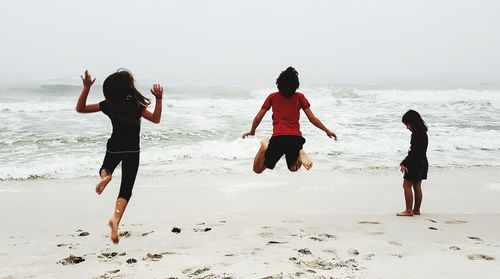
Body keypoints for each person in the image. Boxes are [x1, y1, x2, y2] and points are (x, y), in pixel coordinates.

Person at [76, 69, 163, 243]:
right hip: (132, 150)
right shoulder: (137, 105)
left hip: (114, 147)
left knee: (105, 169)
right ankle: (115, 220)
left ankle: (106, 177)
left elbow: (81, 109)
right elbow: (155, 119)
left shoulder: (109, 104)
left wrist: (86, 87)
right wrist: (159, 99)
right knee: (126, 189)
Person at [242, 66, 336, 173]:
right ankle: (299, 154)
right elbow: (312, 119)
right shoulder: (300, 97)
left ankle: (264, 146)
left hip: (279, 138)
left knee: (258, 169)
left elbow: (258, 118)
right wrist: (326, 131)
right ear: (296, 86)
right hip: (295, 139)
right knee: (293, 168)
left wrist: (252, 131)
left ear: (278, 84)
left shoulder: (272, 97)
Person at [398, 110, 428, 217]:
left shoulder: (416, 135)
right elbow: (419, 152)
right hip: (423, 162)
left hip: (414, 162)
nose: (407, 127)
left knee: (406, 185)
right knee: (417, 185)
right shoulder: (424, 133)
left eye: (407, 124)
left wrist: (404, 163)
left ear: (413, 122)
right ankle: (416, 210)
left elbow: (413, 152)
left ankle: (408, 210)